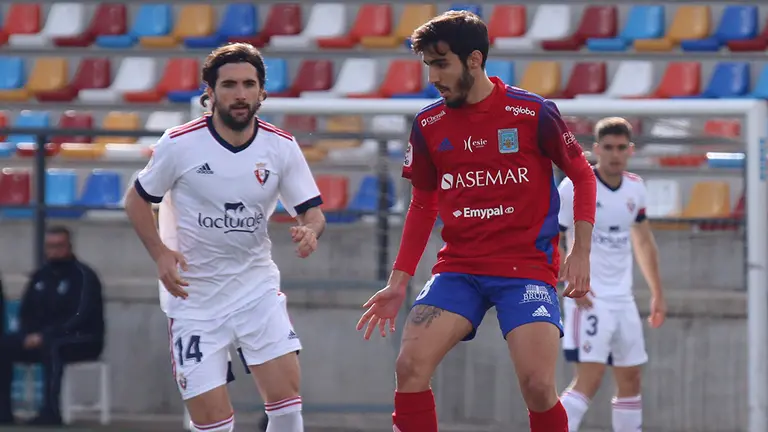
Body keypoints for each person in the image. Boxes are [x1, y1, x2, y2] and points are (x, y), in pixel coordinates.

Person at [355, 11, 597, 432]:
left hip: (525, 269)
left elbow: (582, 174)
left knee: (539, 386)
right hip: (460, 269)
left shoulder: (533, 113)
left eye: (441, 63)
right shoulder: (428, 124)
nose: (432, 75)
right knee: (409, 367)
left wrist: (580, 251)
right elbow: (422, 205)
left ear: (474, 60)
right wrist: (398, 281)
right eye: (428, 64)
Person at [124, 42, 325, 432]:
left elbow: (312, 212)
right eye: (229, 84)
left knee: (287, 403)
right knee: (213, 423)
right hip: (194, 298)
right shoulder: (179, 144)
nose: (240, 93)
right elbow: (136, 200)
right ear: (210, 92)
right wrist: (161, 254)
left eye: (249, 84)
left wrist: (310, 231)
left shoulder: (280, 147)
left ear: (262, 92)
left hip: (256, 289)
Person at [558, 117, 666, 432]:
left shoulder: (635, 187)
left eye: (621, 148)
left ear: (630, 150)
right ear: (596, 149)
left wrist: (658, 292)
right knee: (589, 380)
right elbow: (553, 238)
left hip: (624, 300)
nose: (615, 154)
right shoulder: (574, 187)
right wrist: (571, 283)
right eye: (608, 148)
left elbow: (643, 241)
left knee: (631, 378)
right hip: (590, 298)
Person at [0, 225, 105, 426]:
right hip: (40, 339)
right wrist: (25, 335)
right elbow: (26, 312)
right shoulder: (40, 276)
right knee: (5, 345)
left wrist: (46, 335)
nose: (54, 250)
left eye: (59, 246)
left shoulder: (83, 277)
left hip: (82, 339)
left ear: (69, 246)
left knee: (53, 347)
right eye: (50, 246)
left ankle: (50, 412)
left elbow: (79, 316)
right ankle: (4, 412)